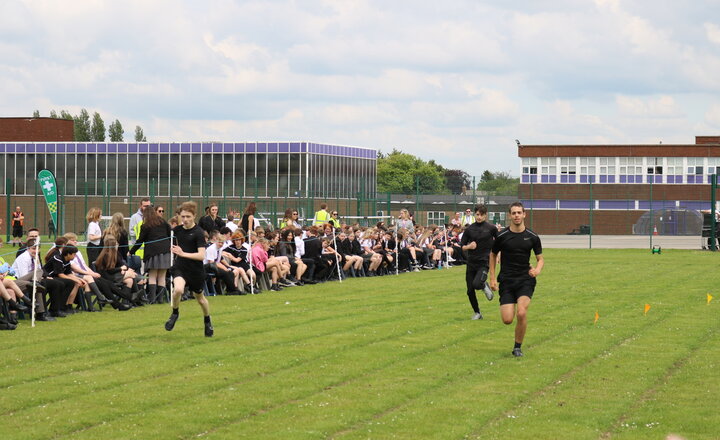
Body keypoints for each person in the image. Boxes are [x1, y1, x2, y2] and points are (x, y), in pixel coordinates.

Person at [489, 202, 544, 358]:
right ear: (510, 215)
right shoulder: (502, 236)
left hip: (525, 280)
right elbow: (492, 255)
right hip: (506, 280)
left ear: (524, 214)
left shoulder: (533, 237)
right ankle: (516, 343)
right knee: (507, 319)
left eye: (519, 212)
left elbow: (540, 259)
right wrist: (492, 278)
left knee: (521, 313)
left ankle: (517, 347)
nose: (517, 215)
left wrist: (537, 270)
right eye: (514, 213)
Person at [165, 201, 213, 337]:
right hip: (180, 267)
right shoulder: (177, 230)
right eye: (183, 216)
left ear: (194, 216)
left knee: (201, 299)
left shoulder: (198, 233)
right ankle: (175, 313)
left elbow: (201, 255)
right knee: (178, 289)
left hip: (195, 271)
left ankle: (207, 320)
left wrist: (182, 253)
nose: (185, 219)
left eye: (188, 217)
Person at [460, 204, 498, 320]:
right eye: (477, 215)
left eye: (481, 215)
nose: (479, 217)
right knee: (469, 290)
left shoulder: (491, 228)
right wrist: (469, 247)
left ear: (485, 215)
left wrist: (498, 254)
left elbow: (499, 242)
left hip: (484, 261)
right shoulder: (470, 229)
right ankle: (477, 313)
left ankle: (483, 285)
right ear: (474, 214)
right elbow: (461, 245)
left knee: (476, 284)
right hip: (471, 262)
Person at [130, 205, 172, 304]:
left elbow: (140, 241)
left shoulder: (145, 225)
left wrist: (131, 251)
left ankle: (152, 299)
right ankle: (160, 299)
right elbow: (169, 235)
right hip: (166, 251)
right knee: (162, 276)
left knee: (152, 275)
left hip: (153, 252)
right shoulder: (163, 222)